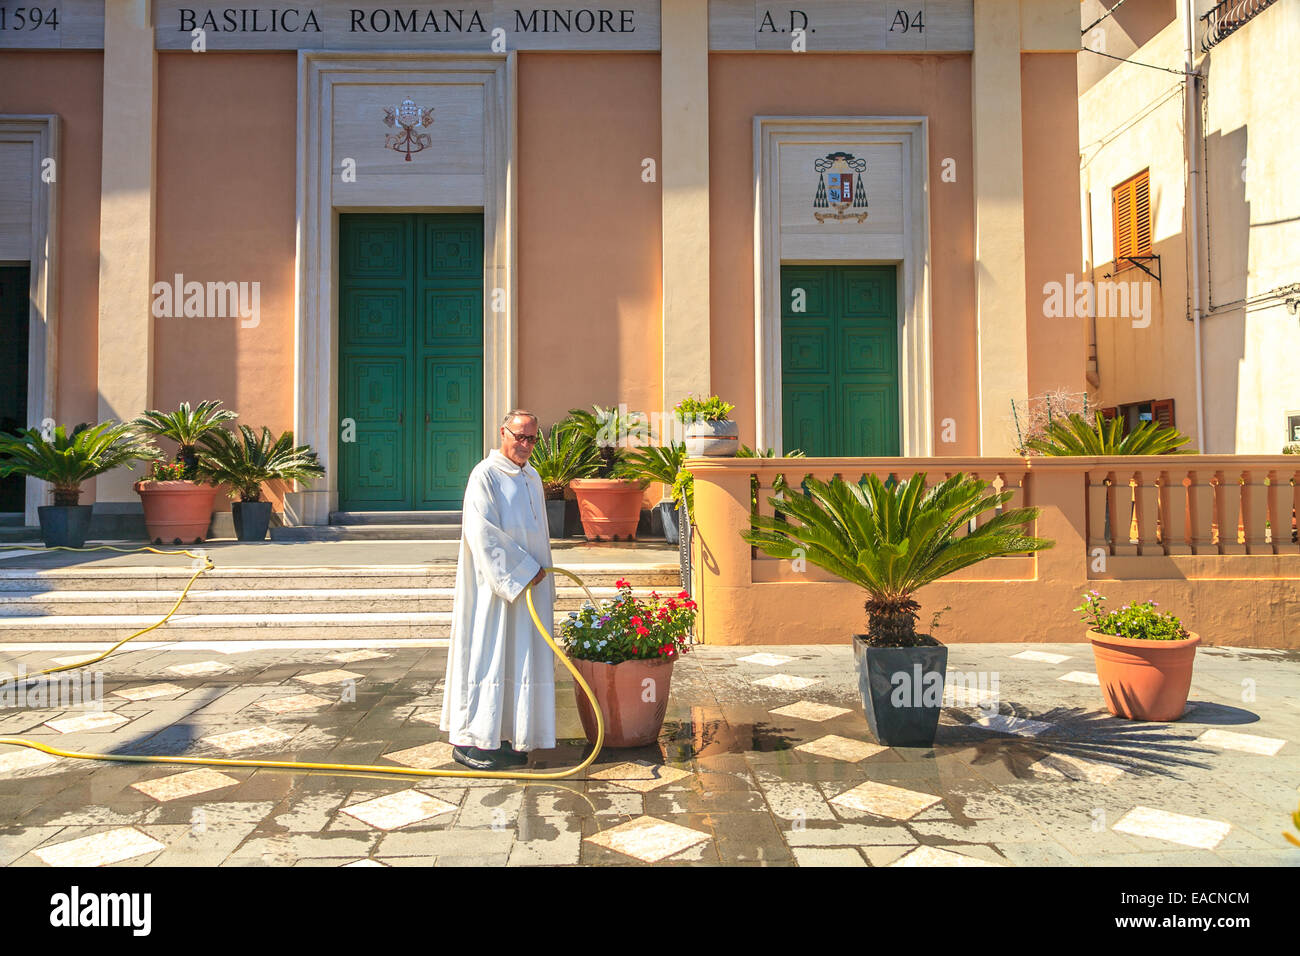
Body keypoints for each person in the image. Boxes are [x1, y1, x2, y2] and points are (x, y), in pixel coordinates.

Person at [440, 410, 556, 771]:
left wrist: (542, 577)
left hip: (531, 590)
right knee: (487, 656)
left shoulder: (533, 477)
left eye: (531, 439)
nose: (524, 445)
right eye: (519, 437)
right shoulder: (484, 475)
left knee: (521, 659)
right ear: (502, 432)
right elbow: (482, 532)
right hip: (495, 592)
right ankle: (471, 742)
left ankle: (507, 736)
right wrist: (521, 571)